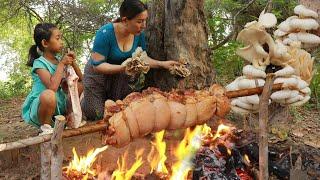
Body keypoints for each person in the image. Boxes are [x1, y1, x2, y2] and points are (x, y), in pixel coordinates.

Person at [81, 0, 179, 120]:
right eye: (139, 21)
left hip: (121, 75)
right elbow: (98, 65)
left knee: (119, 112)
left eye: (145, 20)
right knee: (96, 114)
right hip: (98, 74)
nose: (144, 25)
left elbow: (143, 58)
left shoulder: (138, 34)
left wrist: (162, 64)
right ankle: (84, 99)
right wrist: (123, 67)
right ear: (125, 20)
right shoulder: (105, 33)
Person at [22, 23, 83, 128]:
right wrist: (62, 64)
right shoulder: (39, 63)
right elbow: (52, 87)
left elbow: (81, 79)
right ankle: (46, 128)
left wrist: (73, 63)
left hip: (60, 104)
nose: (61, 42)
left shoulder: (59, 61)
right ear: (45, 43)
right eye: (58, 38)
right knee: (48, 95)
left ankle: (68, 117)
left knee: (79, 86)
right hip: (43, 106)